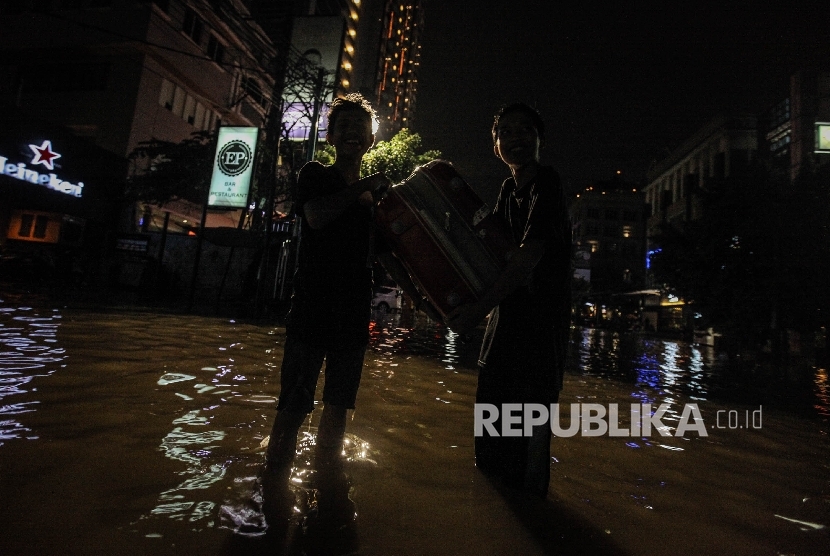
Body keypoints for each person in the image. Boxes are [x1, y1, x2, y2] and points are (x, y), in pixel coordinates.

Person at [446, 102, 572, 497]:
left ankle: (532, 517)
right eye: (507, 132)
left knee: (530, 435)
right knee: (490, 435)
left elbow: (524, 261)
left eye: (526, 131)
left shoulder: (546, 184)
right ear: (496, 144)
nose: (516, 138)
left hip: (539, 330)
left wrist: (474, 313)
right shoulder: (506, 190)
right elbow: (490, 256)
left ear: (539, 141)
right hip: (503, 329)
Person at [264, 93, 391, 476]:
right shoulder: (315, 174)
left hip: (353, 313)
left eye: (360, 127)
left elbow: (385, 255)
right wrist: (363, 189)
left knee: (339, 406)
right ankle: (272, 486)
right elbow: (317, 217)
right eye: (344, 127)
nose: (353, 132)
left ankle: (326, 484)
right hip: (312, 307)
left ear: (371, 139)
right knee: (294, 404)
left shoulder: (377, 201)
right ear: (331, 137)